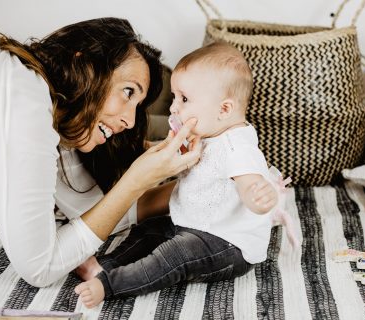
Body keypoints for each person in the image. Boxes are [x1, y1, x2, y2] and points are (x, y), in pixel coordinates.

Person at [0, 17, 202, 287]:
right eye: (128, 91)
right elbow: (39, 268)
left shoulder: (60, 126)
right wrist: (136, 179)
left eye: (137, 107)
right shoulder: (26, 94)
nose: (129, 121)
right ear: (84, 64)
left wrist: (195, 181)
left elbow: (98, 216)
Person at [74, 41, 280, 308]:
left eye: (184, 99)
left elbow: (250, 184)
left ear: (224, 110)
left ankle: (110, 284)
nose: (173, 108)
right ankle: (105, 265)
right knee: (148, 231)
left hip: (228, 243)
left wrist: (258, 196)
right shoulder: (206, 135)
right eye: (174, 98)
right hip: (190, 224)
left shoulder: (237, 145)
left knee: (174, 255)